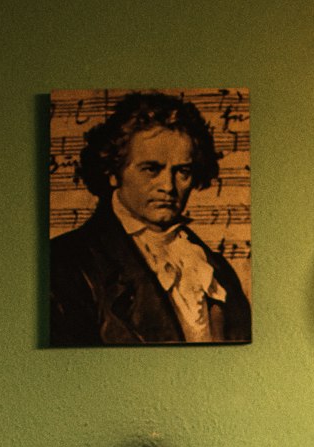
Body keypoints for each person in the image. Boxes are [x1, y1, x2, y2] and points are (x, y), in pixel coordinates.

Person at [50, 91, 252, 346]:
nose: (167, 186)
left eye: (183, 171)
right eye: (151, 169)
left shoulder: (216, 270)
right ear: (114, 171)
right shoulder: (65, 264)